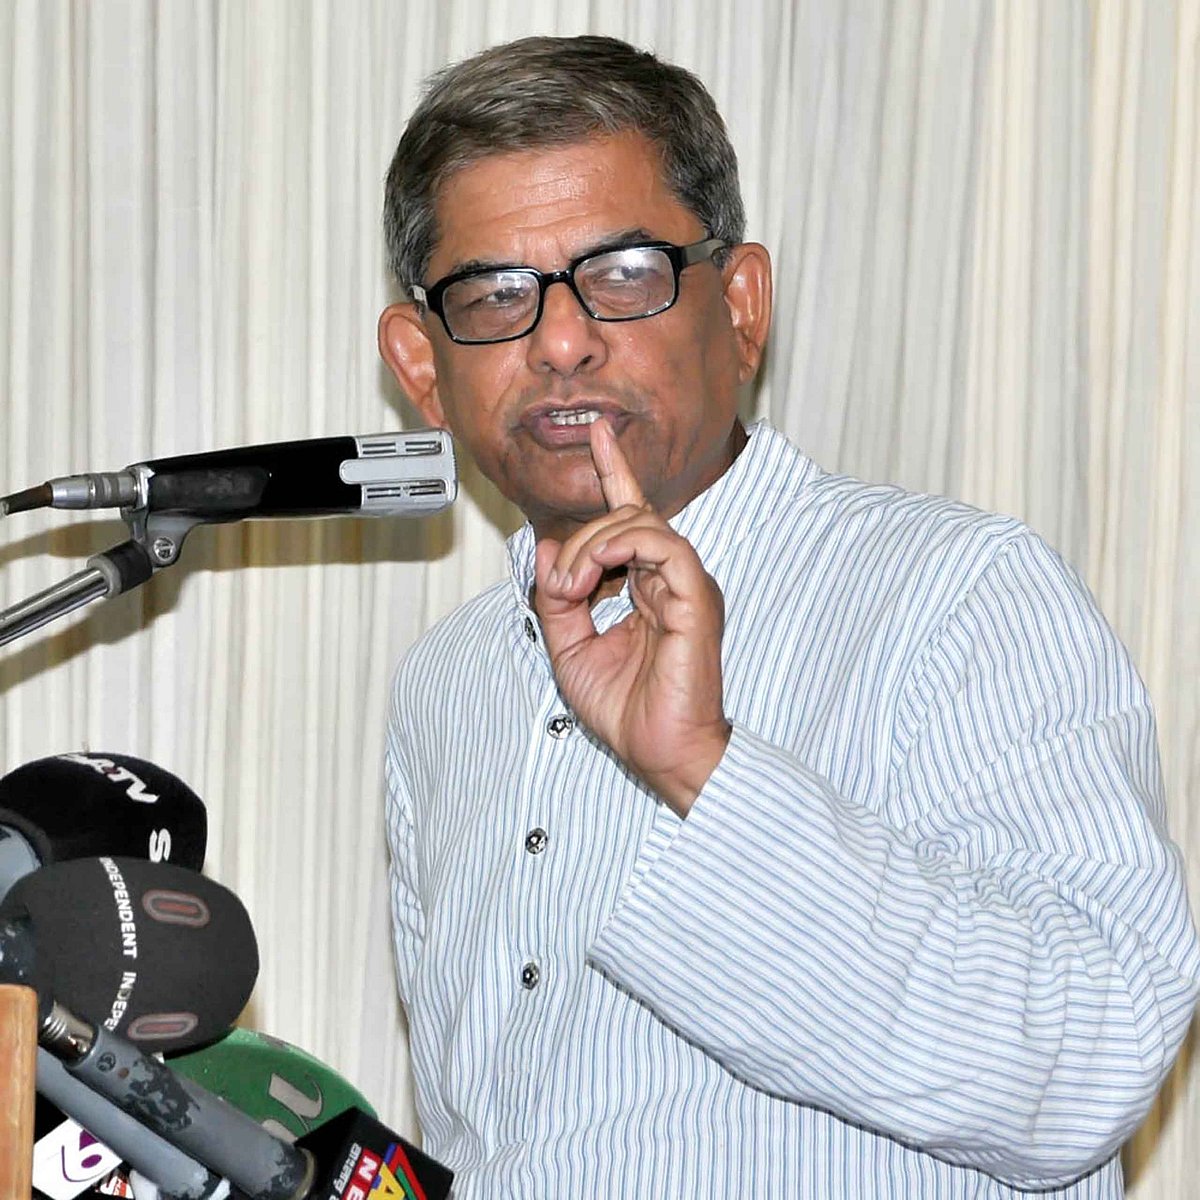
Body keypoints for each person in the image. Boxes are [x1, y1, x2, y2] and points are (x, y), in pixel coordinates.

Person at [376, 34, 1199, 1199]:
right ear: (422, 363)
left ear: (743, 304)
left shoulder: (953, 590)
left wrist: (707, 771)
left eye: (621, 271)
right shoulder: (444, 683)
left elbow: (1085, 1064)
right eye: (495, 294)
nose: (561, 339)